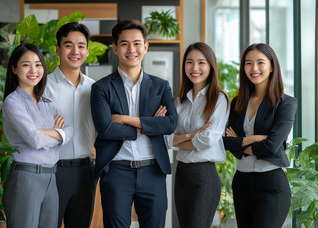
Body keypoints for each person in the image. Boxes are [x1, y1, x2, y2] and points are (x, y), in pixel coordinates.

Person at [90, 19, 178, 228]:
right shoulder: (101, 88)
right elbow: (105, 128)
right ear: (115, 48)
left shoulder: (160, 86)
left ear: (145, 47)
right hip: (117, 171)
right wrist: (149, 125)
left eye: (137, 43)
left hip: (153, 171)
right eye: (124, 44)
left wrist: (127, 120)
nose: (132, 49)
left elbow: (170, 124)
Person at [223, 43, 297, 228]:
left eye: (260, 62)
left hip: (271, 183)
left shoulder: (286, 103)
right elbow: (226, 143)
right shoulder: (237, 103)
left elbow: (272, 145)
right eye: (248, 63)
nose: (254, 68)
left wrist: (240, 143)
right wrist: (256, 139)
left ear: (272, 66)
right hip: (242, 182)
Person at [2, 43, 72, 228]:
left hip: (51, 178)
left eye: (38, 64)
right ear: (15, 69)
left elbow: (70, 132)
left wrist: (46, 133)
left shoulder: (47, 103)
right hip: (26, 177)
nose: (33, 70)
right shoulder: (13, 102)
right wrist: (57, 134)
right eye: (26, 65)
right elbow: (34, 139)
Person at [164, 42, 229, 228]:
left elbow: (207, 140)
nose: (195, 68)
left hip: (204, 176)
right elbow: (167, 139)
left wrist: (180, 138)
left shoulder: (219, 99)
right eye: (189, 62)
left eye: (201, 62)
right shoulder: (180, 101)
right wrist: (192, 135)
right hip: (182, 174)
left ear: (211, 66)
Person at [44, 22, 97, 228]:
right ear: (57, 50)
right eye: (68, 45)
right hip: (52, 170)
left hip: (85, 171)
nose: (75, 51)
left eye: (81, 46)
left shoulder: (95, 89)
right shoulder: (43, 87)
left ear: (87, 51)